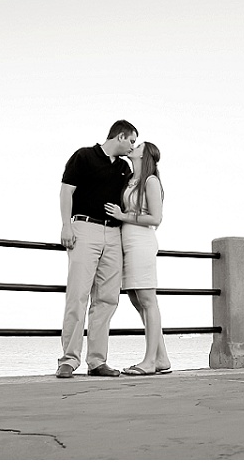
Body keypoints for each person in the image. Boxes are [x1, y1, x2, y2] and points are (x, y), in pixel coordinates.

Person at [56, 120, 138, 379]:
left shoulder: (125, 168)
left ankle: (97, 362)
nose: (132, 146)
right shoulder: (84, 156)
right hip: (84, 228)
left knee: (107, 300)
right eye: (132, 141)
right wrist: (65, 227)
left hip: (114, 234)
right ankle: (68, 360)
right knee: (78, 296)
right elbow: (66, 192)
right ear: (121, 136)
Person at [104, 141, 171, 376]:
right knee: (136, 298)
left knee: (147, 299)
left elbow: (155, 218)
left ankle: (150, 361)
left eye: (138, 145)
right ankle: (162, 358)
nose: (134, 146)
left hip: (141, 243)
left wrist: (124, 215)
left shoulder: (151, 181)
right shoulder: (131, 179)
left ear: (146, 154)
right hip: (127, 243)